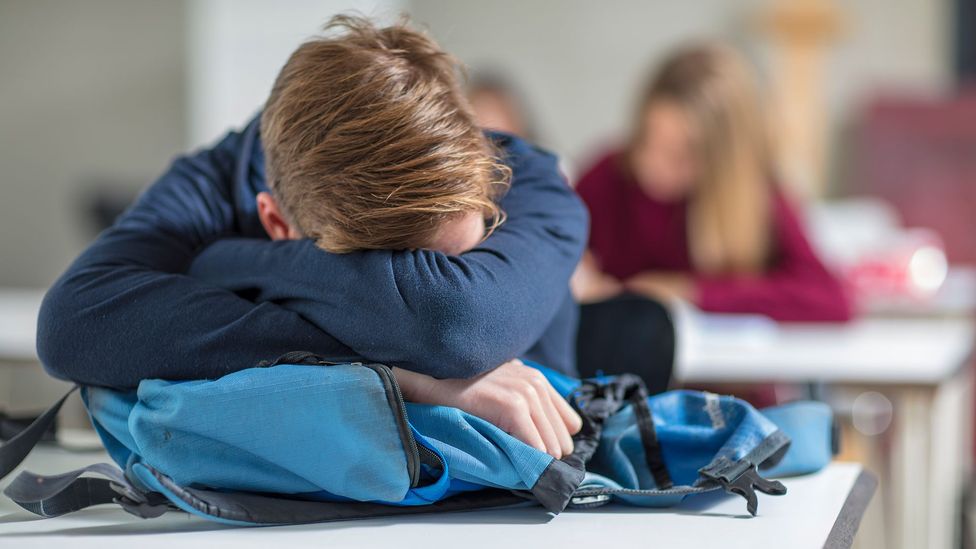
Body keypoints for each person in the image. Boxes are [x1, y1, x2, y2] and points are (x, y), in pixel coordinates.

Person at [37, 16, 585, 458]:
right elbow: (70, 324)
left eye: (464, 260)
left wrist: (228, 263)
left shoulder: (524, 176)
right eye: (384, 274)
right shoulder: (211, 185)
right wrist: (400, 375)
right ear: (278, 223)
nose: (422, 288)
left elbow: (456, 323)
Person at [573, 43, 852, 323]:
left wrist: (690, 292)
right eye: (647, 140)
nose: (653, 164)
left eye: (681, 154)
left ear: (725, 160)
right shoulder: (607, 175)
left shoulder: (756, 197)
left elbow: (830, 298)